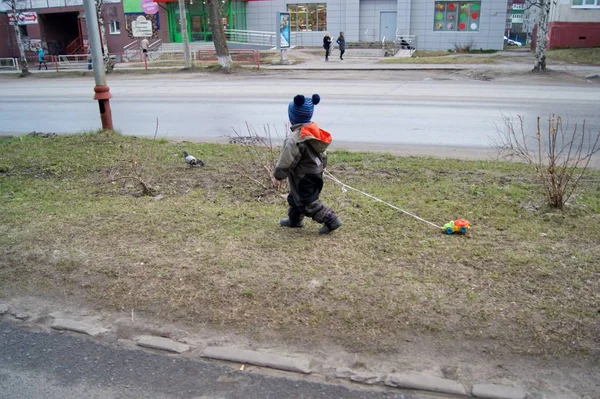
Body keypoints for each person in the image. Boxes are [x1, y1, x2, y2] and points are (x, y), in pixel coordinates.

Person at [272, 94, 343, 234]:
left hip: (304, 175)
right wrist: (323, 164)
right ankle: (295, 220)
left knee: (308, 202)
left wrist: (278, 176)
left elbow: (287, 158)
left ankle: (331, 219)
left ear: (292, 117)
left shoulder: (294, 139)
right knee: (294, 196)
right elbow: (321, 150)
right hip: (314, 171)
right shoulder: (313, 131)